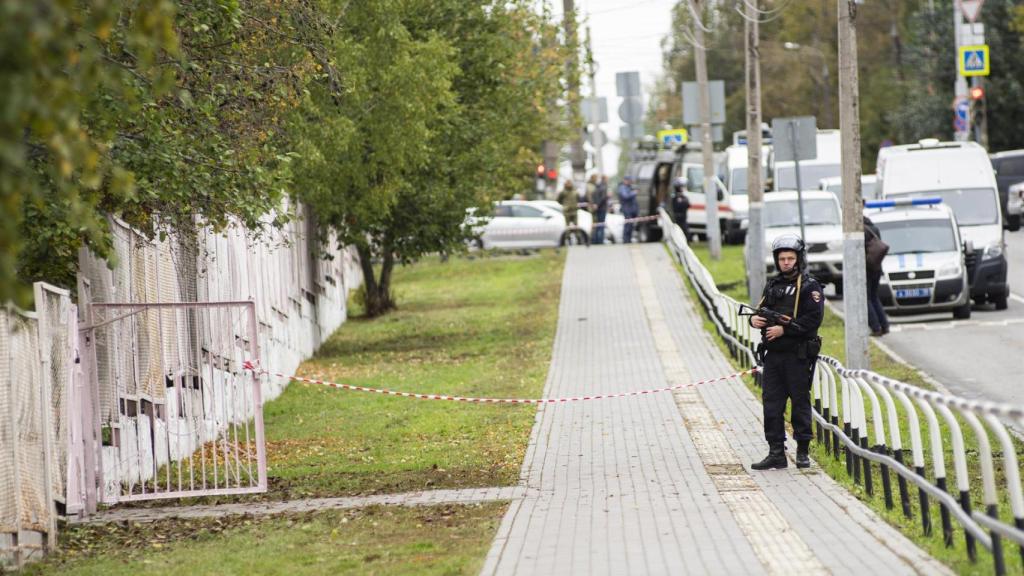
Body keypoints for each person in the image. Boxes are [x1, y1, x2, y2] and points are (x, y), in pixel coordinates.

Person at [748, 234, 824, 470]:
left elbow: (812, 321)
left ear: (799, 259)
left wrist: (784, 329)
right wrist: (754, 321)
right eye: (782, 259)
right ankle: (776, 453)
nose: (786, 263)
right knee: (771, 405)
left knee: (800, 403)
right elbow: (759, 310)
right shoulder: (773, 285)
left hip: (798, 356)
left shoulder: (810, 286)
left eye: (791, 258)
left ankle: (802, 452)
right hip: (774, 357)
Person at [864, 216, 890, 336]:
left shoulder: (860, 231)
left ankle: (876, 327)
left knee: (866, 298)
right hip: (877, 268)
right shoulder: (874, 228)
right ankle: (884, 325)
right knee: (874, 297)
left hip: (866, 269)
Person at [618, 176, 639, 243]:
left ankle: (628, 240)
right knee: (628, 225)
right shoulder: (622, 188)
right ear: (625, 180)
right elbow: (625, 196)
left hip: (631, 209)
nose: (630, 182)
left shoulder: (629, 187)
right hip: (627, 209)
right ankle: (626, 240)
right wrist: (634, 193)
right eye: (629, 180)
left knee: (631, 226)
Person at [593, 175, 610, 244]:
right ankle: (600, 240)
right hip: (602, 208)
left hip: (598, 208)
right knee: (601, 224)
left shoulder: (597, 186)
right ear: (605, 179)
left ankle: (596, 239)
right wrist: (607, 197)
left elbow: (594, 196)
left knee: (597, 224)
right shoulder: (604, 187)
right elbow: (603, 198)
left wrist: (596, 204)